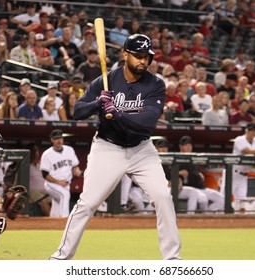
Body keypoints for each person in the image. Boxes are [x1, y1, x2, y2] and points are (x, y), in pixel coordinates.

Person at [50, 34, 181, 260]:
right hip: (108, 147)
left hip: (142, 149)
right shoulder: (106, 80)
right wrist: (97, 103)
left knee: (163, 197)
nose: (143, 61)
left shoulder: (156, 84)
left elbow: (147, 122)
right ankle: (61, 257)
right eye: (138, 56)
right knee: (88, 203)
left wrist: (116, 113)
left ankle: (172, 260)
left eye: (146, 57)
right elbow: (77, 112)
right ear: (125, 55)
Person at [220, 123, 255, 212]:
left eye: (254, 131)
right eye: (250, 130)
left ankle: (236, 221)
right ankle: (218, 218)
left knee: (241, 199)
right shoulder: (239, 139)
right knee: (224, 198)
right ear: (246, 131)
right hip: (233, 173)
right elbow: (248, 152)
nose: (252, 132)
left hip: (244, 175)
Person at [40, 129, 82, 218]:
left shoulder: (69, 150)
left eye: (60, 138)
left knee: (57, 202)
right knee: (64, 195)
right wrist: (58, 182)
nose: (59, 140)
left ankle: (54, 222)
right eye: (56, 138)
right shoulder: (47, 154)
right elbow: (44, 174)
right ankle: (64, 218)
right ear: (52, 140)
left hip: (66, 184)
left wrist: (77, 171)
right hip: (52, 184)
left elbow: (74, 166)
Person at [178, 135, 225, 213]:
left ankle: (207, 215)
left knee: (222, 200)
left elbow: (193, 171)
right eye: (186, 145)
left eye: (190, 145)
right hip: (191, 189)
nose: (189, 147)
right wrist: (179, 172)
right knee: (203, 200)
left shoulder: (193, 157)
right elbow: (171, 172)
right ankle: (201, 217)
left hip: (202, 188)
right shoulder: (178, 158)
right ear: (181, 147)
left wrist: (199, 174)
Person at [27, 143, 51, 216]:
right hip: (32, 191)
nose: (37, 152)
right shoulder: (26, 165)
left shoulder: (39, 164)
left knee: (56, 199)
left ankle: (59, 219)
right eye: (35, 150)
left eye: (37, 150)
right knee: (43, 202)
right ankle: (53, 222)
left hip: (44, 190)